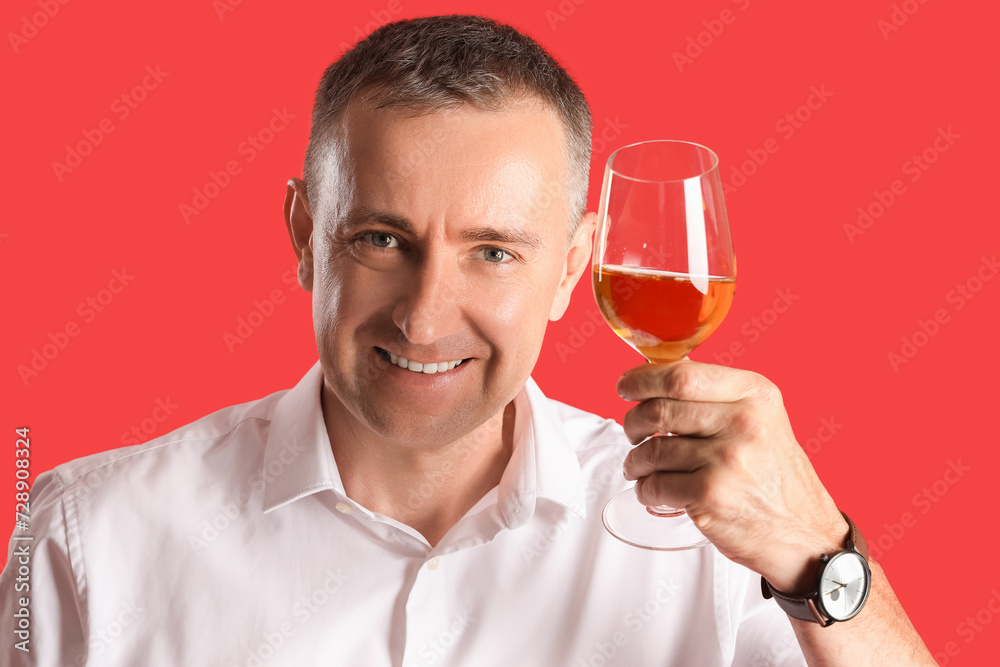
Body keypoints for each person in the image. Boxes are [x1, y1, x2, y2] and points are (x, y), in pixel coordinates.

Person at [2, 15, 934, 666]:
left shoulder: (708, 547)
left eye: (493, 251)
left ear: (573, 269)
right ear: (301, 234)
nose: (425, 315)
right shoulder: (91, 538)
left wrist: (820, 554)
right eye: (380, 239)